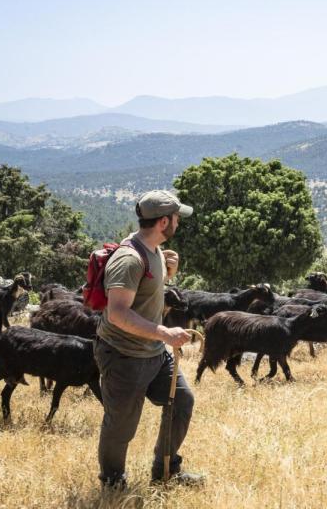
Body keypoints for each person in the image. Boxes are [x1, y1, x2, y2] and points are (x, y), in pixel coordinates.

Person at [95, 190, 201, 490]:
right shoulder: (129, 259)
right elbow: (117, 313)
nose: (179, 223)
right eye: (177, 218)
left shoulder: (153, 250)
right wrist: (164, 333)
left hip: (152, 351)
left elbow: (143, 294)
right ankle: (113, 482)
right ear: (164, 221)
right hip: (124, 354)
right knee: (122, 425)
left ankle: (165, 470)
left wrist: (167, 275)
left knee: (182, 401)